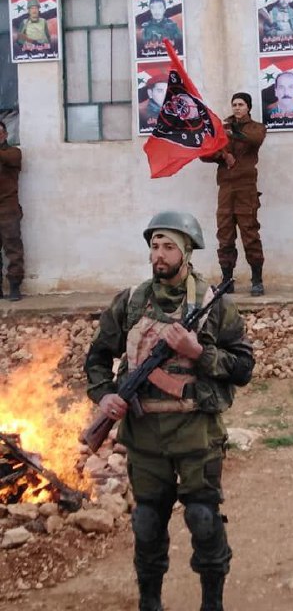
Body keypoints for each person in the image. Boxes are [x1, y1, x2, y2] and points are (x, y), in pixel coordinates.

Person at [84, 210, 254, 611]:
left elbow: (243, 367)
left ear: (187, 252)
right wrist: (104, 394)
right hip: (144, 435)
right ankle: (150, 603)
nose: (159, 255)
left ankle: (212, 603)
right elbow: (96, 357)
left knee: (203, 518)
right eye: (154, 246)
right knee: (146, 524)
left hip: (197, 433)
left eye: (168, 247)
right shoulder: (129, 302)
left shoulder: (214, 306)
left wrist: (198, 352)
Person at [202, 93, 266, 296]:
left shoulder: (256, 127)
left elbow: (255, 140)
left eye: (241, 104)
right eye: (234, 104)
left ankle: (257, 280)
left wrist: (231, 132)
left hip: (246, 189)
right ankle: (227, 280)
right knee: (225, 235)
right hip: (226, 189)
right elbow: (205, 153)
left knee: (250, 234)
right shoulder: (223, 128)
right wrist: (223, 155)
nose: (237, 108)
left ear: (248, 107)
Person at [0, 121, 24, 301]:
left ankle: (15, 287)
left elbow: (10, 160)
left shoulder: (13, 153)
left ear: (5, 134)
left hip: (8, 209)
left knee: (13, 249)